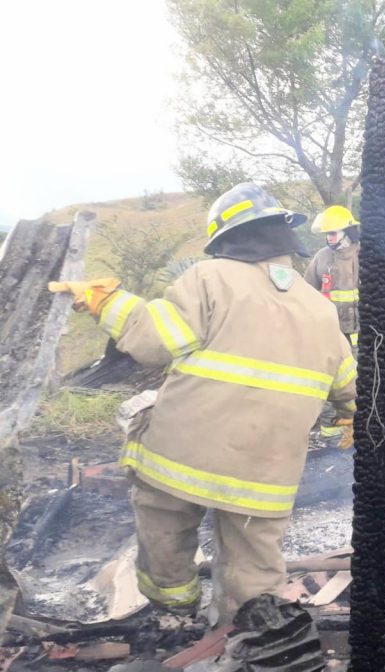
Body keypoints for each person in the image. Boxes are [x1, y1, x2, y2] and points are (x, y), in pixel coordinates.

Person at [49, 183, 356, 625]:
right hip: (265, 473)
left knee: (164, 530)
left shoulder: (208, 279)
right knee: (256, 564)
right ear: (283, 237)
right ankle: (256, 635)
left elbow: (153, 341)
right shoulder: (319, 308)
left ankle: (175, 612)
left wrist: (106, 301)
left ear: (225, 237)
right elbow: (348, 383)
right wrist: (354, 414)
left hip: (182, 461)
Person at [303, 205, 360, 353]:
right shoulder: (322, 257)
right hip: (331, 330)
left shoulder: (363, 255)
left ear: (347, 232)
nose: (329, 237)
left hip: (362, 331)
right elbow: (306, 292)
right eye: (327, 233)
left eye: (333, 233)